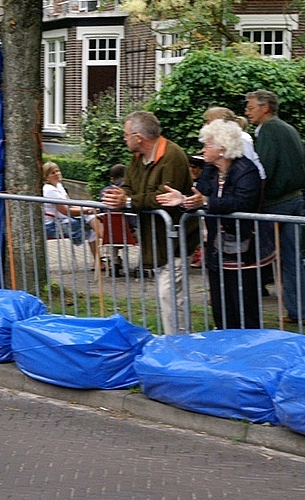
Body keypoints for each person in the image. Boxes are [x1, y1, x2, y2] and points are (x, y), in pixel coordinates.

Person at [158, 119, 270, 329]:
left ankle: (250, 351)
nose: (203, 149)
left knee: (244, 305)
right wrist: (183, 200)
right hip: (217, 247)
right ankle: (225, 348)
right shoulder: (209, 170)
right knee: (220, 303)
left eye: (207, 145)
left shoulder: (247, 170)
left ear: (223, 148)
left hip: (243, 247)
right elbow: (200, 197)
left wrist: (207, 201)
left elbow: (242, 202)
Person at [102, 110, 192, 335]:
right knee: (167, 295)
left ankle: (179, 345)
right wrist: (119, 196)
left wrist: (129, 200)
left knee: (170, 295)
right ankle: (175, 342)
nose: (124, 139)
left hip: (176, 239)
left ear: (138, 137)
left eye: (126, 135)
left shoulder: (172, 156)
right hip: (157, 239)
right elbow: (130, 186)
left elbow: (164, 197)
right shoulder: (137, 159)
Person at [245, 89, 305, 323]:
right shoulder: (288, 128)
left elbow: (263, 170)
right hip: (295, 199)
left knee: (259, 256)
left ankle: (250, 308)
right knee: (293, 257)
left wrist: (256, 199)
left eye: (251, 107)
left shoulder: (269, 130)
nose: (247, 112)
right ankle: (297, 310)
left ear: (265, 107)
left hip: (276, 203)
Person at [43, 162, 102, 266]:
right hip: (52, 226)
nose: (57, 174)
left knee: (90, 217)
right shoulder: (49, 190)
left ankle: (99, 260)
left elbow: (70, 205)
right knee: (89, 220)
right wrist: (86, 210)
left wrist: (87, 208)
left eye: (57, 171)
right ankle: (105, 239)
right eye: (53, 173)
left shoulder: (59, 186)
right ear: (46, 177)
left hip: (63, 221)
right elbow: (66, 211)